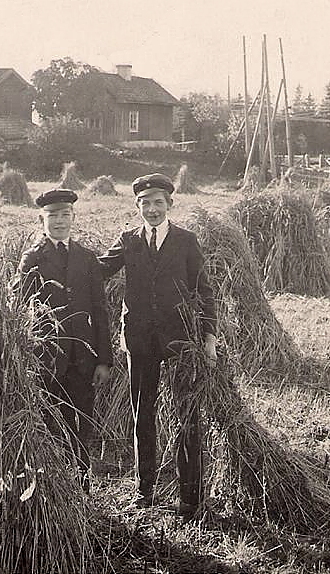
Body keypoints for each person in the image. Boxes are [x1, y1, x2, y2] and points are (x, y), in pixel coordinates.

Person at [98, 173, 217, 520]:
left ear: (170, 205)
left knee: (187, 416)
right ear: (137, 207)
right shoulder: (128, 241)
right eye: (145, 203)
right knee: (142, 415)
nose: (152, 209)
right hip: (139, 340)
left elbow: (204, 291)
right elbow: (98, 269)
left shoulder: (186, 241)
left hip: (180, 340)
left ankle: (190, 497)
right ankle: (144, 490)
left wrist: (209, 337)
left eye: (158, 203)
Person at [13, 188, 112, 491]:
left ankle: (82, 484)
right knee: (49, 422)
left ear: (73, 217)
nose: (59, 221)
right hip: (46, 359)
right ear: (41, 219)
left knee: (81, 422)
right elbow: (19, 308)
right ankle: (52, 488)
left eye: (64, 214)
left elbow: (100, 310)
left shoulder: (86, 258)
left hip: (84, 360)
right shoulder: (32, 259)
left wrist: (104, 359)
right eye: (52, 215)